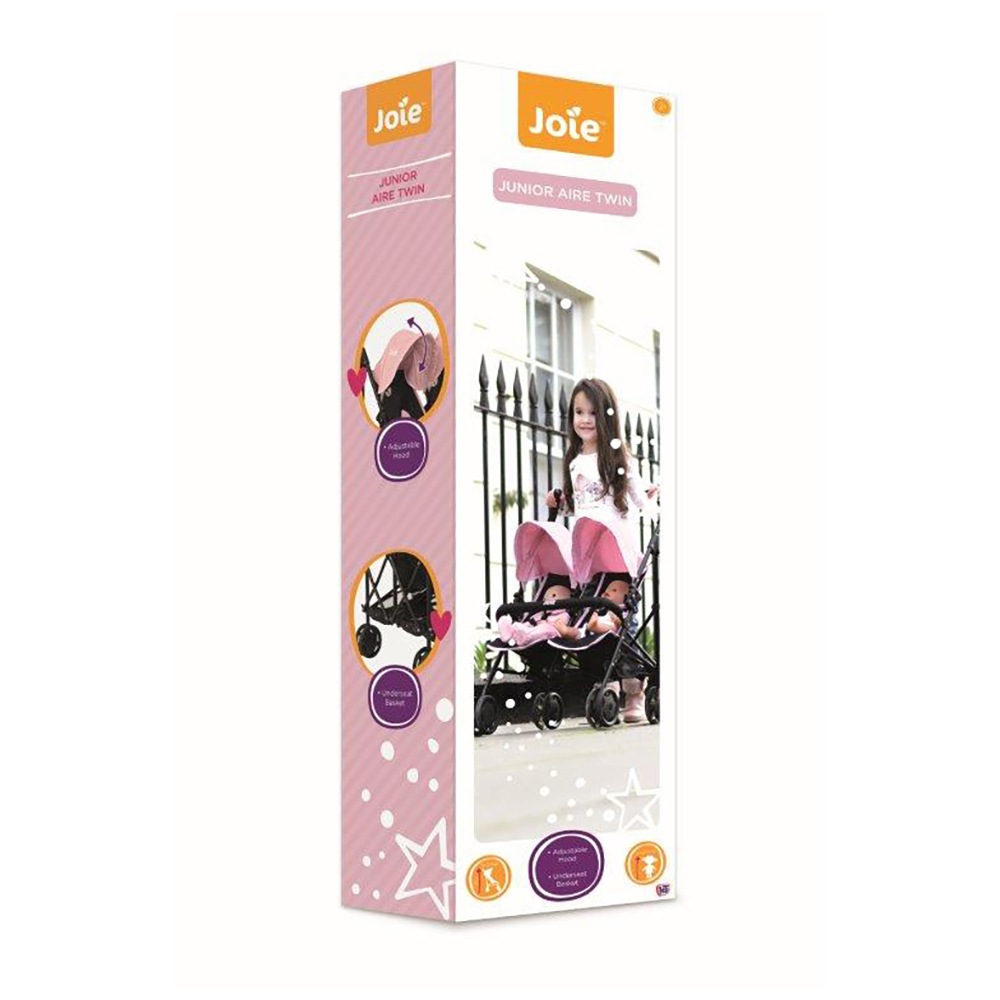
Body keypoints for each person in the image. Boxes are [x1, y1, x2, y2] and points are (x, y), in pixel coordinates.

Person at [545, 378, 658, 723]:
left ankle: (634, 690)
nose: (585, 419)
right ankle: (603, 686)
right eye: (579, 412)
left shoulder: (617, 456)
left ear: (606, 416)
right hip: (589, 557)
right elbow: (579, 505)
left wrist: (650, 496)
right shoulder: (574, 459)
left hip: (618, 553)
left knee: (620, 618)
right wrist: (559, 502)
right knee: (590, 618)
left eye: (592, 413)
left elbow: (636, 495)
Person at [496, 580, 576, 645]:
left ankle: (525, 636)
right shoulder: (542, 610)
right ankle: (510, 631)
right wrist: (533, 622)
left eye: (553, 596)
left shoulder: (563, 614)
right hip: (537, 626)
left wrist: (559, 627)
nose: (548, 598)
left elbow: (561, 625)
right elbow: (534, 620)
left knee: (543, 629)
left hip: (551, 632)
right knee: (526, 625)